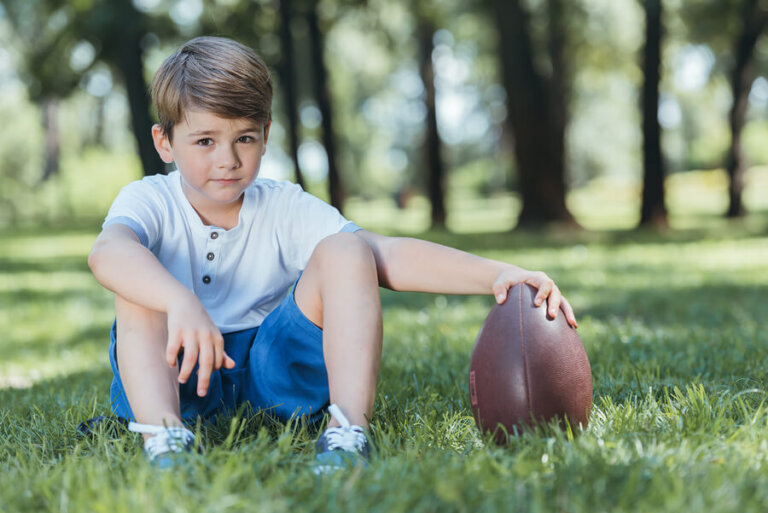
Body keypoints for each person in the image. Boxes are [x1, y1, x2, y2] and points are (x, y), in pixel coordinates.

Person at [88, 36, 577, 471]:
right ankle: (165, 440)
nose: (228, 159)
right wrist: (179, 300)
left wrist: (502, 273)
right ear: (165, 142)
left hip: (271, 376)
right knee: (135, 276)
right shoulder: (149, 199)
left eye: (244, 138)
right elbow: (107, 252)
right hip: (177, 373)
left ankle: (347, 433)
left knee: (346, 249)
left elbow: (383, 255)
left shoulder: (282, 204)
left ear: (266, 134)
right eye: (204, 141)